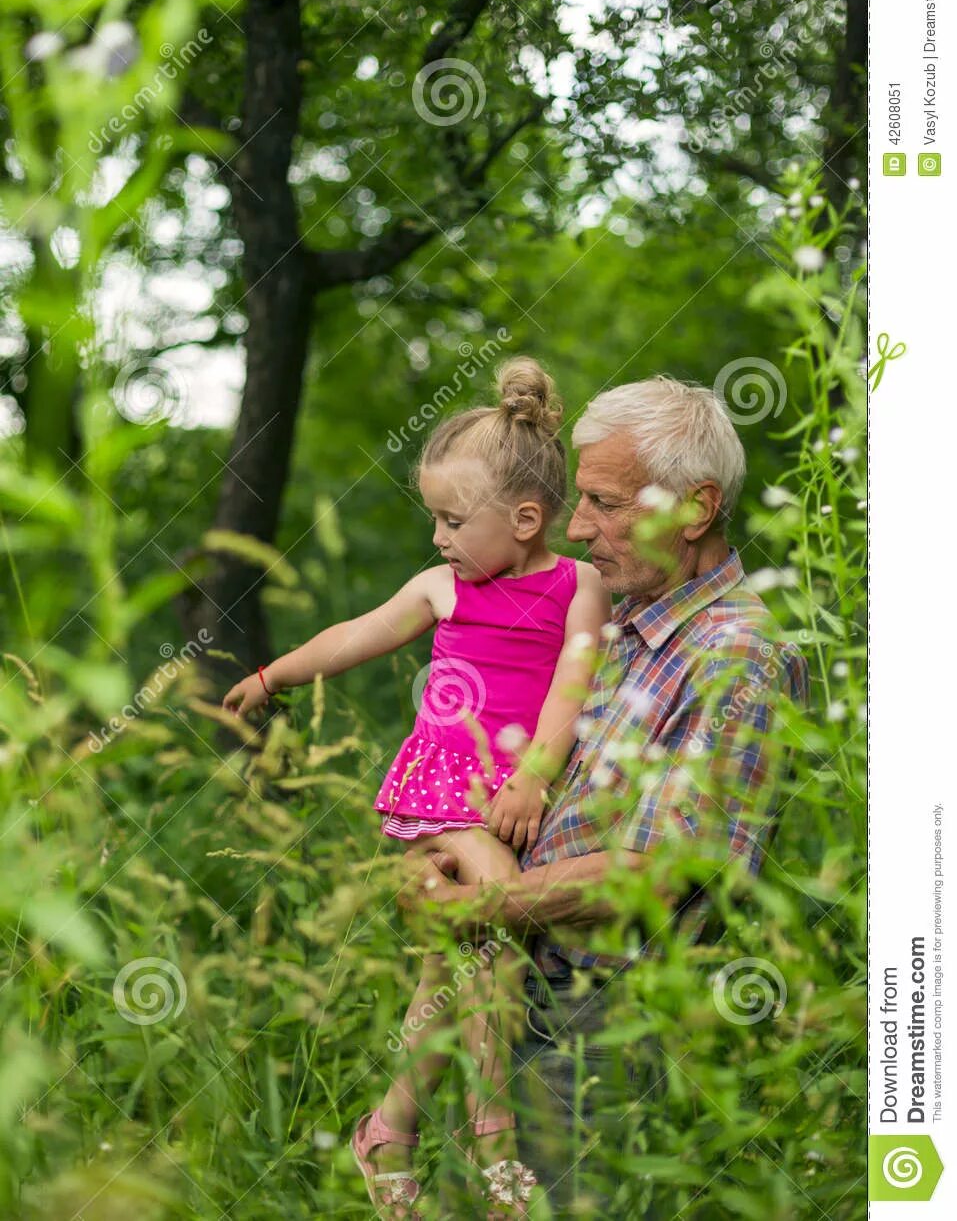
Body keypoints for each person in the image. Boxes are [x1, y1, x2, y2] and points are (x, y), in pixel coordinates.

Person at [402, 375, 810, 1216]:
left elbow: (655, 875)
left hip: (600, 1032)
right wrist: (441, 848)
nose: (577, 526)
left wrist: (477, 908)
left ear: (694, 509)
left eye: (603, 502)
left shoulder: (734, 658)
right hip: (508, 997)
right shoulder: (619, 626)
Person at [222, 358, 610, 1218]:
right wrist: (274, 674)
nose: (436, 537)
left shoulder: (576, 584)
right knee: (499, 927)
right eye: (431, 517)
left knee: (454, 973)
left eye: (450, 519)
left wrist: (535, 780)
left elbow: (570, 688)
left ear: (524, 518)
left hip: (515, 797)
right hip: (444, 795)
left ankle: (388, 1133)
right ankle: (494, 1142)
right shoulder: (442, 586)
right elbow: (356, 634)